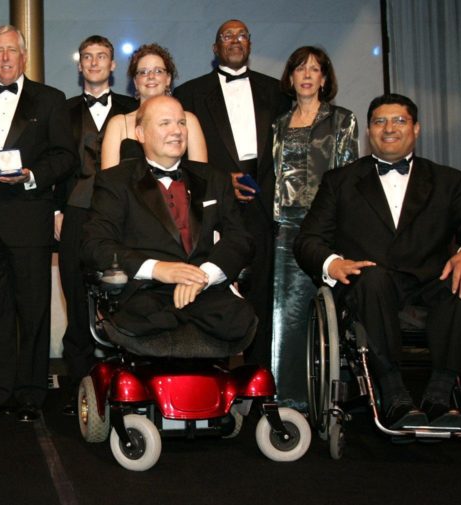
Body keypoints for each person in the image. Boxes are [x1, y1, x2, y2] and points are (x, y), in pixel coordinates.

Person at [294, 94, 461, 430]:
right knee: (372, 278)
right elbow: (307, 240)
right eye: (379, 121)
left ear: (416, 129)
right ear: (370, 132)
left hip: (432, 284)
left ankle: (440, 394)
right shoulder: (340, 181)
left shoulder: (450, 181)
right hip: (372, 286)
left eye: (399, 121)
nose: (389, 128)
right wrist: (332, 263)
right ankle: (393, 395)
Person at [0, 25, 76, 422]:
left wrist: (31, 175)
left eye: (12, 51)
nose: (5, 58)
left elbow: (65, 157)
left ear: (23, 56)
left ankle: (31, 393)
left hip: (30, 219)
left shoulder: (51, 99)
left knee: (33, 309)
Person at [82, 95, 254, 342]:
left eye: (181, 123)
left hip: (204, 291)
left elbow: (240, 237)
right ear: (140, 134)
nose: (177, 131)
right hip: (146, 293)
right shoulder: (115, 182)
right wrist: (159, 269)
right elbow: (95, 245)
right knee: (137, 320)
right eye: (165, 123)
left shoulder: (214, 179)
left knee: (240, 318)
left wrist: (204, 275)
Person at [173, 19, 289, 368]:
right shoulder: (190, 94)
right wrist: (224, 180)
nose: (235, 41)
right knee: (213, 287)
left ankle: (259, 376)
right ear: (215, 48)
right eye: (227, 36)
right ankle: (213, 374)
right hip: (215, 202)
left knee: (264, 292)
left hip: (265, 205)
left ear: (250, 44)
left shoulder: (278, 92)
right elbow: (183, 156)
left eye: (242, 35)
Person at [268, 46, 358, 408]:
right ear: (290, 78)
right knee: (287, 315)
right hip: (286, 229)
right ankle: (288, 398)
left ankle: (335, 396)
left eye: (315, 69)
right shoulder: (278, 124)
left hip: (327, 228)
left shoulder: (342, 119)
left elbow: (348, 179)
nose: (307, 75)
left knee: (334, 312)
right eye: (300, 69)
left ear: (325, 78)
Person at [55, 35, 138, 416]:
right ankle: (78, 386)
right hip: (73, 213)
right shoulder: (64, 110)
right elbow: (55, 163)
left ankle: (125, 383)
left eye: (101, 56)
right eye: (87, 57)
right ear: (79, 65)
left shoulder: (134, 109)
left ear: (113, 64)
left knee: (122, 296)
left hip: (120, 217)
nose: (93, 63)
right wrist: (56, 211)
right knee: (75, 296)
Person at [100, 43, 207, 169]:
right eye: (143, 72)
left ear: (168, 79)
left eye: (158, 71)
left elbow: (202, 176)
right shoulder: (118, 124)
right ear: (135, 82)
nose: (151, 76)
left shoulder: (189, 120)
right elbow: (108, 181)